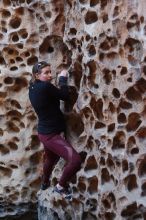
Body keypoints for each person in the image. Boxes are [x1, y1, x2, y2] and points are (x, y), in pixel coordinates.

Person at [29, 61, 82, 200]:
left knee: (51, 158)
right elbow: (64, 95)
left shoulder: (33, 87)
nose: (50, 75)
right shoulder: (45, 87)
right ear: (37, 75)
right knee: (75, 160)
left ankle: (45, 183)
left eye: (50, 72)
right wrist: (63, 79)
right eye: (46, 73)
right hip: (51, 135)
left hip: (43, 132)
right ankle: (60, 187)